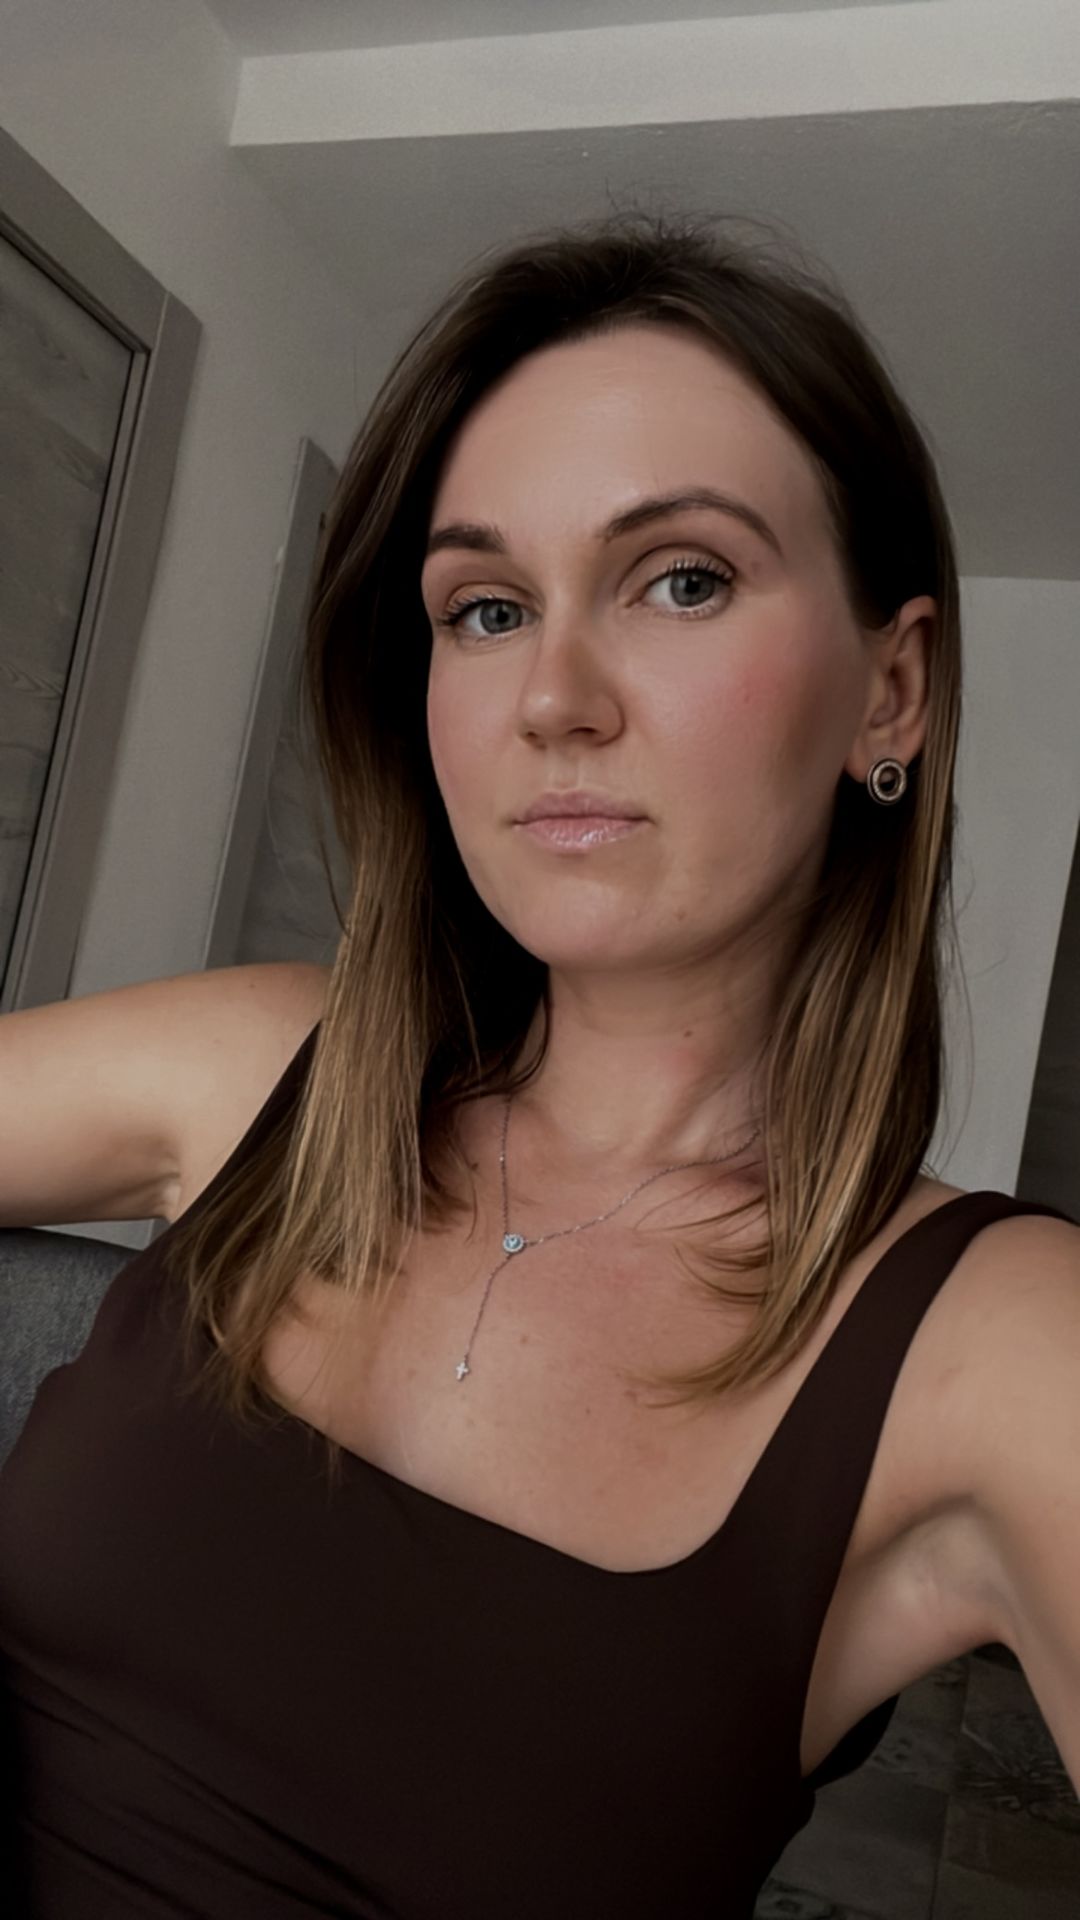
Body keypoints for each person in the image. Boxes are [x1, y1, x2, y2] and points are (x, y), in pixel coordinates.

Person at [1, 207, 1077, 1917]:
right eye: (487, 608)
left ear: (893, 690)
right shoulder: (262, 1065)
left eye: (683, 580)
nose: (552, 697)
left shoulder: (1000, 1344)